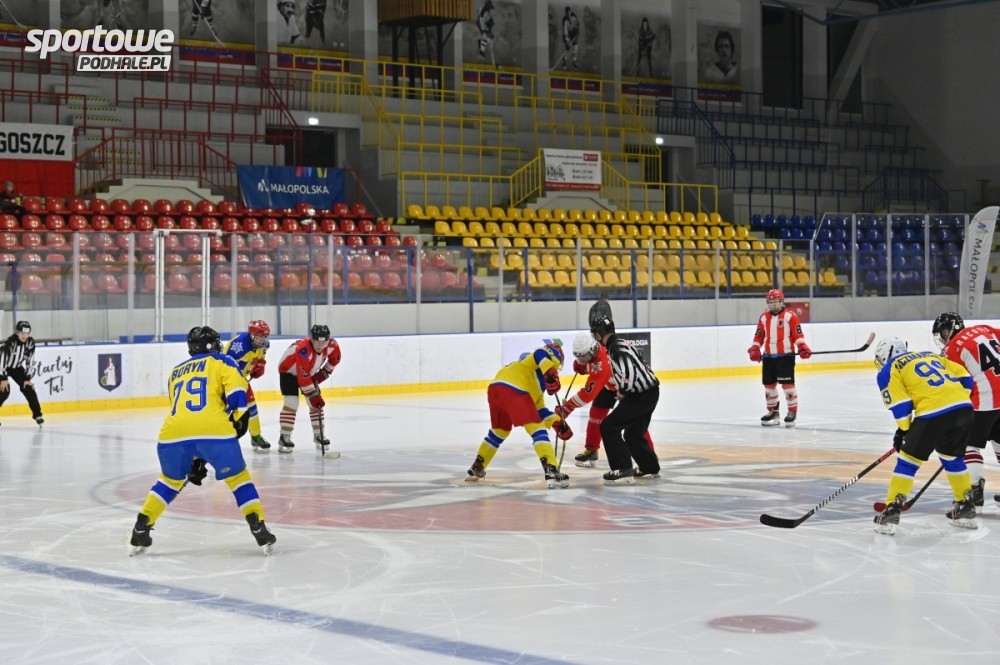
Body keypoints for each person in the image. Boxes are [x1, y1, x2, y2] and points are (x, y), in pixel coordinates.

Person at [129, 326, 276, 556]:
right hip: (214, 432)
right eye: (216, 342)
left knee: (169, 482)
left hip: (172, 435)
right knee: (238, 479)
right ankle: (258, 527)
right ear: (210, 345)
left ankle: (141, 527)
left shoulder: (175, 371)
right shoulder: (224, 361)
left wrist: (197, 458)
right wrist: (238, 423)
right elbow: (238, 399)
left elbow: (187, 415)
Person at [873, 336, 978, 535]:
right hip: (964, 409)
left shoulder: (890, 368)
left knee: (908, 461)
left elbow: (901, 406)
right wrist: (953, 399)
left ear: (885, 355)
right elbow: (966, 379)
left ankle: (892, 509)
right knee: (952, 457)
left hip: (933, 412)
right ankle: (965, 506)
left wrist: (903, 430)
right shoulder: (930, 355)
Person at [465, 342, 572, 488]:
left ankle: (478, 465)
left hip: (495, 391)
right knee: (538, 430)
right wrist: (549, 374)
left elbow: (539, 411)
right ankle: (551, 469)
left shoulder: (530, 381)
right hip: (515, 391)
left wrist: (558, 422)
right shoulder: (533, 363)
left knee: (500, 431)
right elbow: (540, 353)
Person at [931, 312, 1000, 507]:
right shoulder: (985, 329)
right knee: (998, 440)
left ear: (954, 327)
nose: (943, 338)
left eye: (944, 332)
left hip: (985, 398)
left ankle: (974, 490)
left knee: (968, 444)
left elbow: (952, 384)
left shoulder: (951, 349)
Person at [558, 332, 655, 467]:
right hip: (611, 383)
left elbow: (587, 394)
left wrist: (568, 406)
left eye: (584, 356)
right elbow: (598, 364)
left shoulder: (601, 366)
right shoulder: (598, 347)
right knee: (595, 415)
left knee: (634, 423)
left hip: (628, 387)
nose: (581, 359)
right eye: (578, 356)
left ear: (593, 349)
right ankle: (591, 449)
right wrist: (586, 366)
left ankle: (649, 456)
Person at [590, 316, 660, 484]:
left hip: (640, 396)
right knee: (633, 433)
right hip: (650, 393)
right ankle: (649, 466)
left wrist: (622, 390)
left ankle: (622, 467)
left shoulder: (615, 347)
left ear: (599, 334)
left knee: (608, 426)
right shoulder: (619, 343)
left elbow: (629, 372)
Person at [747, 288, 811, 426]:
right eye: (771, 302)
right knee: (769, 385)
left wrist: (802, 346)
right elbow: (758, 336)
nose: (773, 304)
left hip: (785, 356)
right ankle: (773, 412)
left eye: (775, 301)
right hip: (768, 357)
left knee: (787, 385)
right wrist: (755, 348)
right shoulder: (764, 317)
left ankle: (792, 412)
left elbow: (797, 335)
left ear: (781, 301)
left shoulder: (790, 316)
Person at [276, 324, 342, 454]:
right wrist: (314, 395)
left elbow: (335, 360)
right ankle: (284, 436)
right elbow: (303, 376)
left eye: (323, 342)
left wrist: (322, 374)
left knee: (315, 405)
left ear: (328, 340)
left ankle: (319, 435)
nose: (320, 345)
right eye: (316, 341)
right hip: (288, 371)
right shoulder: (303, 349)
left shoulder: (333, 345)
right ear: (311, 338)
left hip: (308, 371)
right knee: (291, 402)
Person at [224, 319, 272, 452]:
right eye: (259, 336)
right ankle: (218, 435)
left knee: (251, 405)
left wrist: (260, 365)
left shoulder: (264, 345)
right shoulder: (238, 346)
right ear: (251, 335)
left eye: (264, 336)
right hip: (227, 380)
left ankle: (256, 436)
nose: (262, 340)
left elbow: (260, 357)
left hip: (241, 380)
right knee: (225, 409)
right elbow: (224, 365)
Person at [0, 321, 43, 427]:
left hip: (16, 367)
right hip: (2, 366)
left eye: (27, 333)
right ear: (17, 332)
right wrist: (3, 378)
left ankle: (37, 414)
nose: (24, 336)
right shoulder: (10, 342)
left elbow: (30, 360)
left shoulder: (30, 343)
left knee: (28, 388)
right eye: (22, 333)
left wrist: (27, 378)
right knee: (4, 391)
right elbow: (2, 359)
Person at [553, 6, 579, 70]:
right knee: (567, 49)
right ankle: (564, 62)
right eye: (567, 12)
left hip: (573, 35)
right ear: (566, 12)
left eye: (569, 12)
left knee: (575, 47)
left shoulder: (573, 17)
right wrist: (567, 41)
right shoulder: (565, 20)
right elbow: (565, 31)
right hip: (567, 35)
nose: (568, 14)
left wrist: (576, 31)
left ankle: (574, 61)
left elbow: (577, 25)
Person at [477, 0, 497, 67]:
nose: (490, 9)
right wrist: (488, 32)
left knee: (486, 41)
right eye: (489, 7)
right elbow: (487, 24)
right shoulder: (486, 13)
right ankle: (494, 63)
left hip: (484, 29)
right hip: (485, 30)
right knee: (490, 43)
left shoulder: (482, 10)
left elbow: (481, 22)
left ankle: (493, 62)